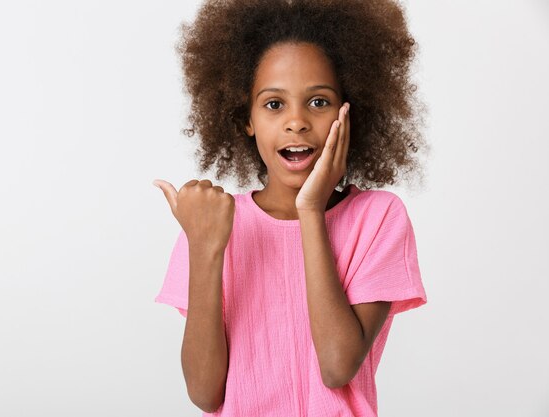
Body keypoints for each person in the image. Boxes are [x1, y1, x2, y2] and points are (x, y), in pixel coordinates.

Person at [152, 0, 429, 415]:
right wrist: (205, 248)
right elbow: (205, 393)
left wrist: (311, 210)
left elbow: (337, 366)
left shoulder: (378, 219)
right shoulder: (214, 224)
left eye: (318, 102)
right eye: (274, 104)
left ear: (348, 113)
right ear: (246, 117)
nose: (296, 121)